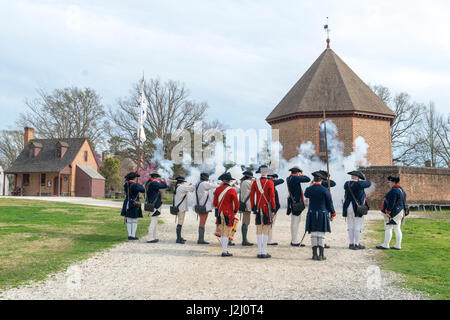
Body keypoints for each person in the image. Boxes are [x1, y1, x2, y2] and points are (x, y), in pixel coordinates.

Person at [304, 171, 337, 261]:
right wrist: (333, 212)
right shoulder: (325, 190)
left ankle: (314, 254)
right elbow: (329, 203)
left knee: (314, 234)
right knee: (321, 234)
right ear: (322, 180)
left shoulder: (309, 189)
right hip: (322, 213)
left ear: (314, 179)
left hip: (312, 213)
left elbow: (306, 194)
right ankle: (321, 255)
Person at [250, 166, 276, 259]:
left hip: (258, 208)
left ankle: (259, 252)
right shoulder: (270, 182)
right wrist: (273, 209)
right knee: (265, 230)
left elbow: (252, 196)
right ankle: (264, 252)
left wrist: (254, 207)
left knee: (259, 230)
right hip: (266, 209)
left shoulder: (255, 182)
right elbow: (272, 197)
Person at [343, 170, 372, 250]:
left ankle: (351, 243)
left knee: (350, 226)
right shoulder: (359, 184)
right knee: (357, 226)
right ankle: (357, 244)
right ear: (358, 177)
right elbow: (369, 183)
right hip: (357, 207)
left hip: (348, 207)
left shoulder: (347, 184)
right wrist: (363, 178)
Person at [213, 172, 240, 257]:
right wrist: (235, 211)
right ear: (229, 180)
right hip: (229, 213)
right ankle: (224, 251)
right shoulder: (232, 190)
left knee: (222, 231)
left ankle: (224, 250)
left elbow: (214, 203)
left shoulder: (217, 189)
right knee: (226, 232)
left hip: (220, 212)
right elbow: (236, 204)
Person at [377, 176, 407, 250]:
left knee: (388, 228)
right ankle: (398, 245)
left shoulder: (394, 190)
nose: (388, 183)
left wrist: (388, 211)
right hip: (400, 211)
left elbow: (391, 203)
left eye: (389, 182)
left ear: (393, 182)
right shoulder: (402, 190)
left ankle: (386, 245)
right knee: (397, 229)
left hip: (393, 213)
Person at [286, 166, 311, 247]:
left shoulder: (289, 178)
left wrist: (299, 175)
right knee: (296, 222)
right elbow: (308, 179)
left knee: (294, 221)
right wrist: (301, 175)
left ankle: (294, 239)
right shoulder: (295, 178)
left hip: (293, 202)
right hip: (297, 202)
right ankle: (294, 240)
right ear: (297, 173)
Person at [121, 172, 146, 240]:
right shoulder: (135, 185)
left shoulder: (126, 184)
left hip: (128, 202)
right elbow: (143, 190)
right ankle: (133, 235)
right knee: (134, 220)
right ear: (134, 178)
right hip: (134, 203)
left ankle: (129, 235)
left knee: (128, 220)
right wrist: (139, 185)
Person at [195, 173, 218, 245]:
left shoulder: (198, 183)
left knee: (202, 222)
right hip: (203, 206)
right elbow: (215, 185)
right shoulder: (204, 183)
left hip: (200, 205)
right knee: (202, 223)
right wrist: (212, 181)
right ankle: (200, 239)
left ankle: (201, 238)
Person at [145, 173, 168, 243]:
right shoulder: (153, 183)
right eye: (158, 178)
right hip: (154, 205)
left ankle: (153, 236)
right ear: (156, 177)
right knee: (153, 221)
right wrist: (163, 181)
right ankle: (149, 237)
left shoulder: (148, 182)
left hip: (150, 203)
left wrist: (159, 182)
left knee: (154, 221)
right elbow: (165, 186)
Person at [173, 176, 195, 244]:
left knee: (180, 222)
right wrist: (192, 185)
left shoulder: (178, 187)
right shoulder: (181, 187)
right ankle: (178, 238)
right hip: (181, 208)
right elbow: (192, 189)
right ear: (182, 182)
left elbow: (186, 189)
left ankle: (179, 237)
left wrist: (188, 186)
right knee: (180, 223)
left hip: (179, 207)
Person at [267, 173, 285, 246]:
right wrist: (274, 210)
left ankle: (268, 239)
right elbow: (281, 180)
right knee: (270, 224)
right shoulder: (271, 183)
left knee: (270, 224)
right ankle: (269, 240)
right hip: (271, 208)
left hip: (271, 207)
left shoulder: (268, 183)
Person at [238, 170, 254, 246]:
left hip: (243, 203)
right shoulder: (249, 182)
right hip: (247, 204)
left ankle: (244, 239)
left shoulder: (242, 182)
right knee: (246, 222)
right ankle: (244, 240)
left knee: (245, 222)